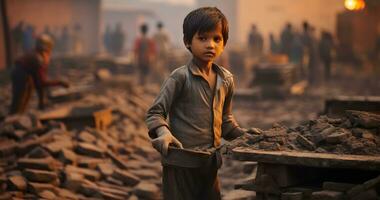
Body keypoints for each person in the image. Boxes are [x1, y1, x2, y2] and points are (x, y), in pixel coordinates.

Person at [146, 7, 252, 199]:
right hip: (180, 164)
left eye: (216, 39)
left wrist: (246, 136)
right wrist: (164, 133)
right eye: (202, 38)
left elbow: (226, 120)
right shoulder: (179, 78)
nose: (210, 45)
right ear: (188, 42)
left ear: (224, 44)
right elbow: (155, 113)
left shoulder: (226, 80)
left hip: (209, 164)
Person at [9, 34, 69, 114]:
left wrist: (41, 103)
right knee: (19, 99)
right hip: (20, 75)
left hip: (21, 73)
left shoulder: (37, 55)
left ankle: (19, 114)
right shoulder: (38, 58)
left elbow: (39, 83)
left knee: (26, 95)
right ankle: (13, 117)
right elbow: (41, 82)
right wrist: (60, 82)